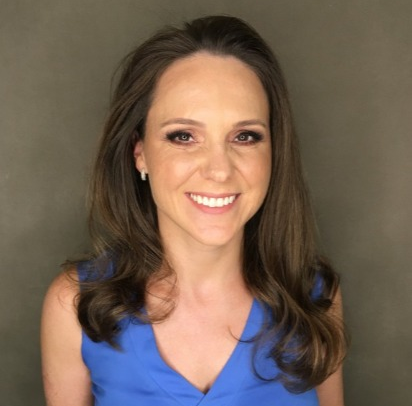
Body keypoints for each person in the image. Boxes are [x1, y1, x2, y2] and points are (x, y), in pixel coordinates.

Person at [41, 15, 348, 406]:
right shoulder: (74, 305)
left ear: (274, 151)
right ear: (139, 151)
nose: (219, 170)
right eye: (184, 136)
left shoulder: (315, 297)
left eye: (245, 136)